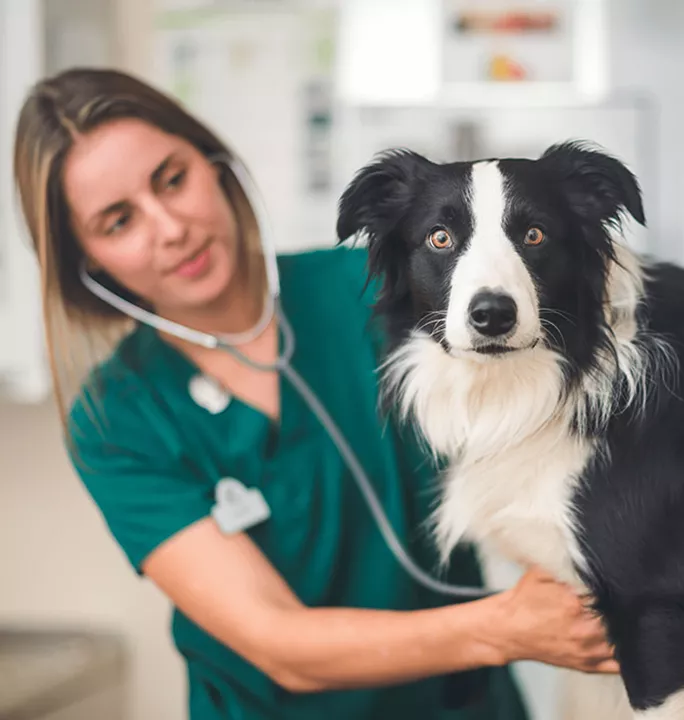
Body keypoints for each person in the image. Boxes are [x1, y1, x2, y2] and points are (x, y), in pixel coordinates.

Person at [13, 67, 619, 720]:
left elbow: (577, 404)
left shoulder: (391, 295)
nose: (169, 228)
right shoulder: (119, 417)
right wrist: (509, 625)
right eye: (118, 221)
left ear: (214, 164)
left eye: (172, 179)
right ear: (88, 262)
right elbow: (279, 643)